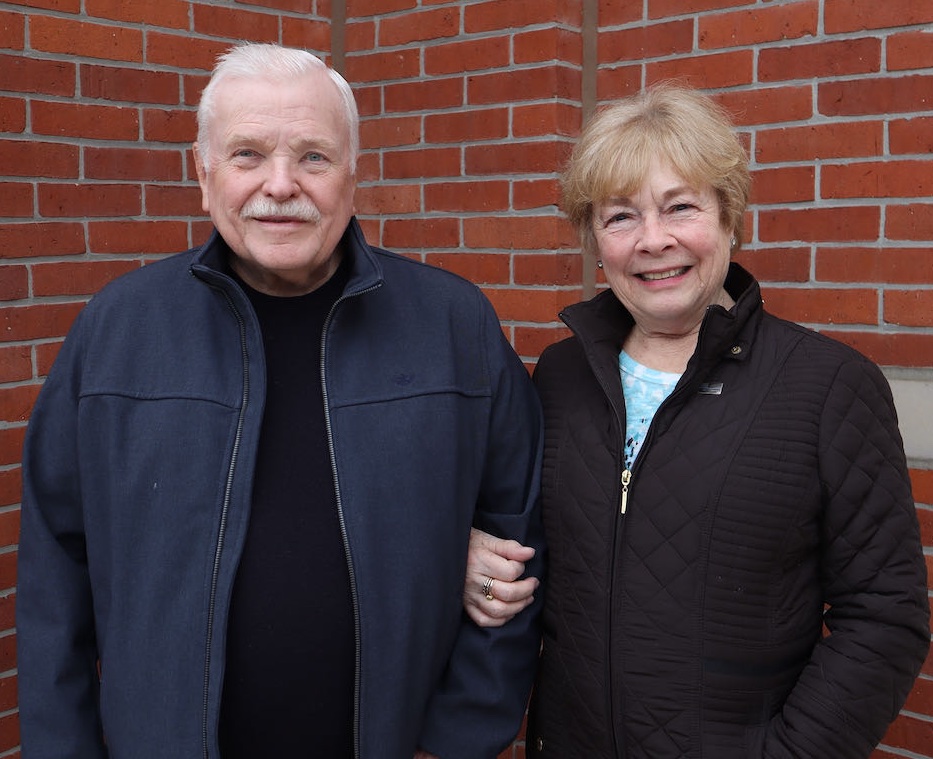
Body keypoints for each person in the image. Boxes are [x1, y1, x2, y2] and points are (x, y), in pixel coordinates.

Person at [16, 42, 545, 759]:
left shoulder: (455, 328)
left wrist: (456, 742)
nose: (281, 184)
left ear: (353, 176)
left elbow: (516, 548)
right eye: (247, 155)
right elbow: (55, 580)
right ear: (202, 174)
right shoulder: (117, 330)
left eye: (313, 158)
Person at [465, 84, 930, 757]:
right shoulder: (560, 377)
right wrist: (469, 550)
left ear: (727, 217)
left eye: (679, 207)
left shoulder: (825, 384)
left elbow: (885, 618)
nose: (652, 241)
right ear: (594, 239)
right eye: (619, 216)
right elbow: (514, 523)